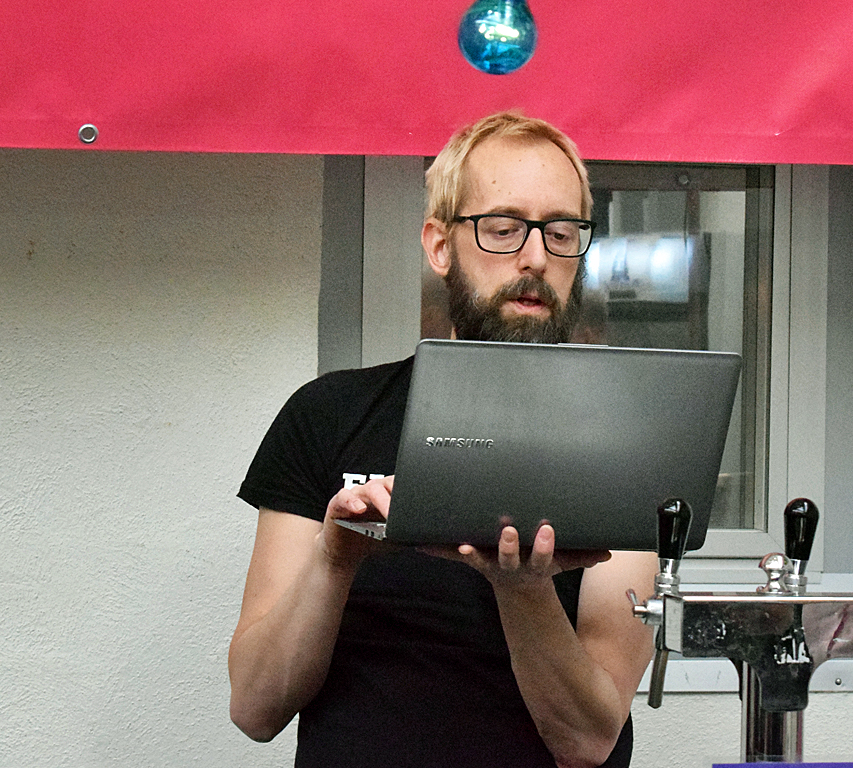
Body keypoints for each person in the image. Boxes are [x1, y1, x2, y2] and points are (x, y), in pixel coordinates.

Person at [228, 111, 658, 768]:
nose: (536, 257)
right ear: (439, 244)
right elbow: (255, 708)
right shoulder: (329, 415)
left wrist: (522, 589)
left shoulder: (621, 448)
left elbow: (587, 740)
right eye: (503, 228)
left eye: (561, 232)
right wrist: (334, 561)